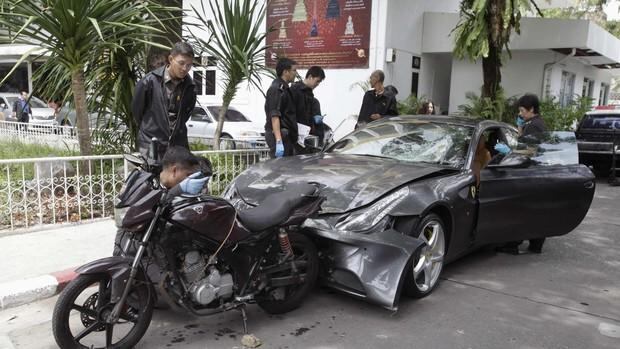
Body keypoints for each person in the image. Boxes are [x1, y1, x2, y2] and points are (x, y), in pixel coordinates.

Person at [496, 93, 548, 254]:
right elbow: (524, 141)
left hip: (530, 173)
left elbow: (528, 151)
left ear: (531, 109)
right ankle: (536, 244)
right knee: (533, 210)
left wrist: (509, 151)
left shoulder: (534, 125)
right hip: (536, 172)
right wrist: (520, 127)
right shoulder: (535, 123)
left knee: (519, 209)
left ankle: (513, 244)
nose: (520, 114)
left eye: (522, 110)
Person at [132, 42, 197, 159]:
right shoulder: (149, 82)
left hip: (178, 147)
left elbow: (185, 114)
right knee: (154, 177)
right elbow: (137, 112)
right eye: (181, 63)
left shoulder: (190, 86)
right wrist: (153, 128)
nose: (185, 68)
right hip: (151, 146)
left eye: (189, 65)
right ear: (171, 59)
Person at [264, 57, 298, 158]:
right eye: (294, 70)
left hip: (286, 135)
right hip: (279, 135)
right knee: (279, 170)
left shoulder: (285, 88)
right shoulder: (276, 89)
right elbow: (275, 115)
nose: (296, 73)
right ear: (285, 72)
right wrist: (278, 141)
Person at [290, 66, 325, 149]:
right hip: (297, 137)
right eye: (317, 81)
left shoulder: (310, 95)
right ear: (310, 77)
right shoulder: (295, 91)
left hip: (308, 138)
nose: (318, 84)